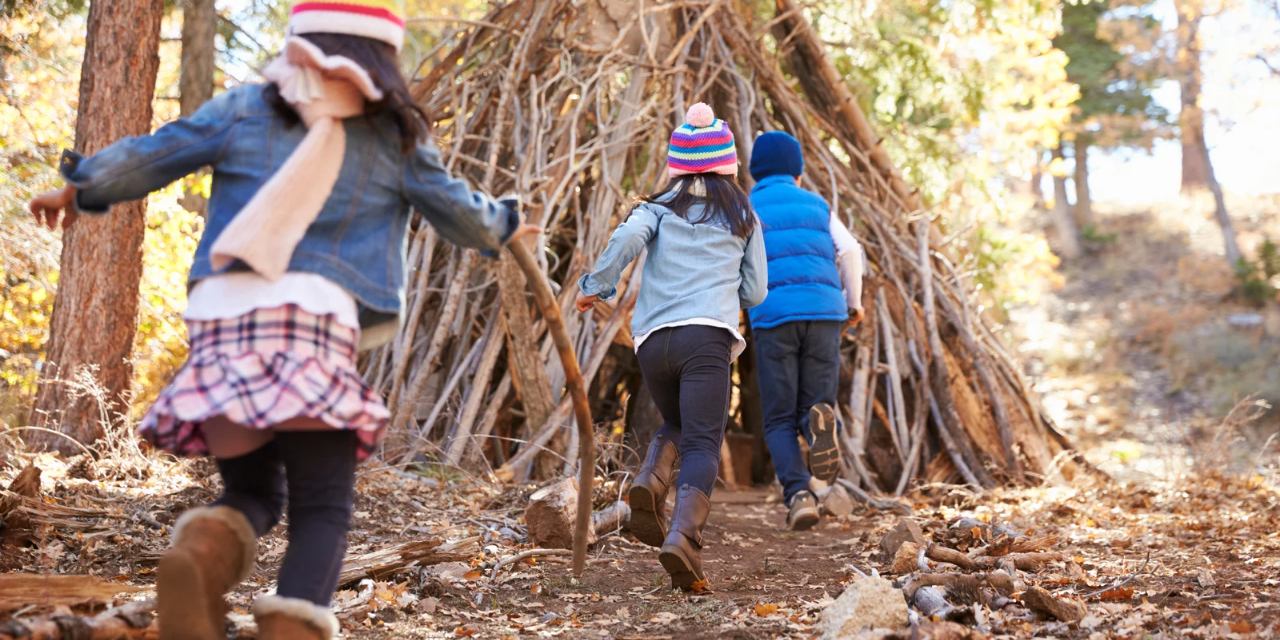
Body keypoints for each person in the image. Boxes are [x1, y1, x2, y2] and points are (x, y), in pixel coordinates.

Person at [28, 2, 530, 638]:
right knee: (321, 506)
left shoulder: (244, 108)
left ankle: (199, 562)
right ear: (382, 58)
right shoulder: (394, 137)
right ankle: (290, 629)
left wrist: (76, 189)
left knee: (254, 495)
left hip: (223, 327)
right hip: (312, 329)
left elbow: (158, 153)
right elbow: (464, 217)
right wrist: (507, 224)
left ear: (300, 45)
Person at [576, 103, 767, 590]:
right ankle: (683, 537)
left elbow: (626, 239)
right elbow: (757, 292)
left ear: (678, 165)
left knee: (679, 423)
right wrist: (729, 294)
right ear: (727, 164)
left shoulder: (656, 208)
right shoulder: (743, 213)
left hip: (652, 341)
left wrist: (595, 286)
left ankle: (651, 482)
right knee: (704, 438)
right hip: (706, 337)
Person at [746, 131, 865, 531]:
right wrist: (854, 302)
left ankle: (798, 495)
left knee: (778, 417)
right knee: (815, 404)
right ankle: (818, 424)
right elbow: (849, 250)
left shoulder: (748, 207)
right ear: (797, 171)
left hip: (774, 316)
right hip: (825, 313)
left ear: (754, 171)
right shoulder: (817, 205)